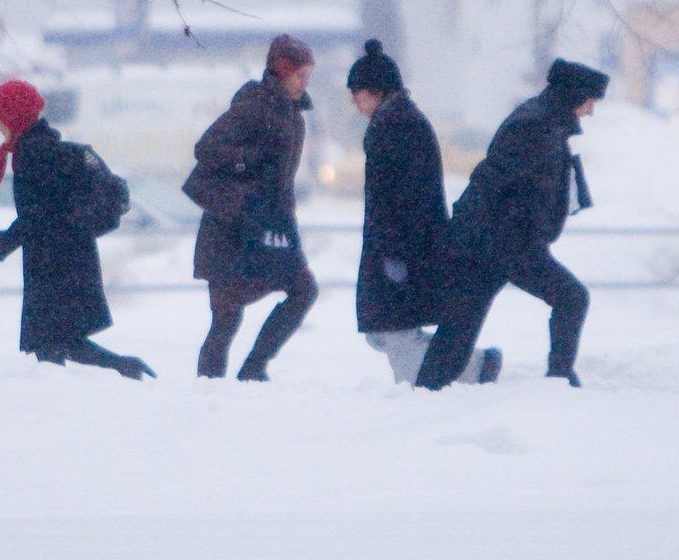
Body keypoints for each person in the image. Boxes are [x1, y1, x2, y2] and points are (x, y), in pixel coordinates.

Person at [415, 58, 608, 391]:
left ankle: (426, 390)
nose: (591, 110)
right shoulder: (535, 126)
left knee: (459, 328)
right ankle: (559, 380)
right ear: (575, 96)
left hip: (493, 242)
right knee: (572, 298)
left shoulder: (544, 123)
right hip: (504, 243)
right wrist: (518, 234)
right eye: (590, 101)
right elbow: (495, 181)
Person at [0, 80, 155, 379]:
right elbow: (41, 215)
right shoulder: (38, 150)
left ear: (15, 117)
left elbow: (36, 217)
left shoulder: (34, 156)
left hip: (55, 262)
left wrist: (0, 243)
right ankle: (121, 369)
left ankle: (113, 373)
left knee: (50, 343)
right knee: (55, 343)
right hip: (66, 256)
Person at [347, 40, 500, 386]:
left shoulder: (395, 126)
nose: (353, 101)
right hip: (403, 243)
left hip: (404, 245)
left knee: (395, 331)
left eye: (356, 92)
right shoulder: (398, 121)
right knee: (383, 333)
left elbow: (400, 197)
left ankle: (446, 383)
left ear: (374, 91)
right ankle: (474, 367)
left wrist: (393, 252)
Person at [183, 34, 320, 380]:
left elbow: (282, 181)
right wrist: (248, 161)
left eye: (308, 77)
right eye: (300, 76)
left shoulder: (293, 115)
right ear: (282, 71)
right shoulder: (254, 105)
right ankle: (209, 390)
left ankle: (254, 367)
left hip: (268, 227)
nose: (305, 85)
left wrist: (287, 226)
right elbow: (206, 148)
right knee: (226, 319)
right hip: (229, 230)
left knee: (303, 290)